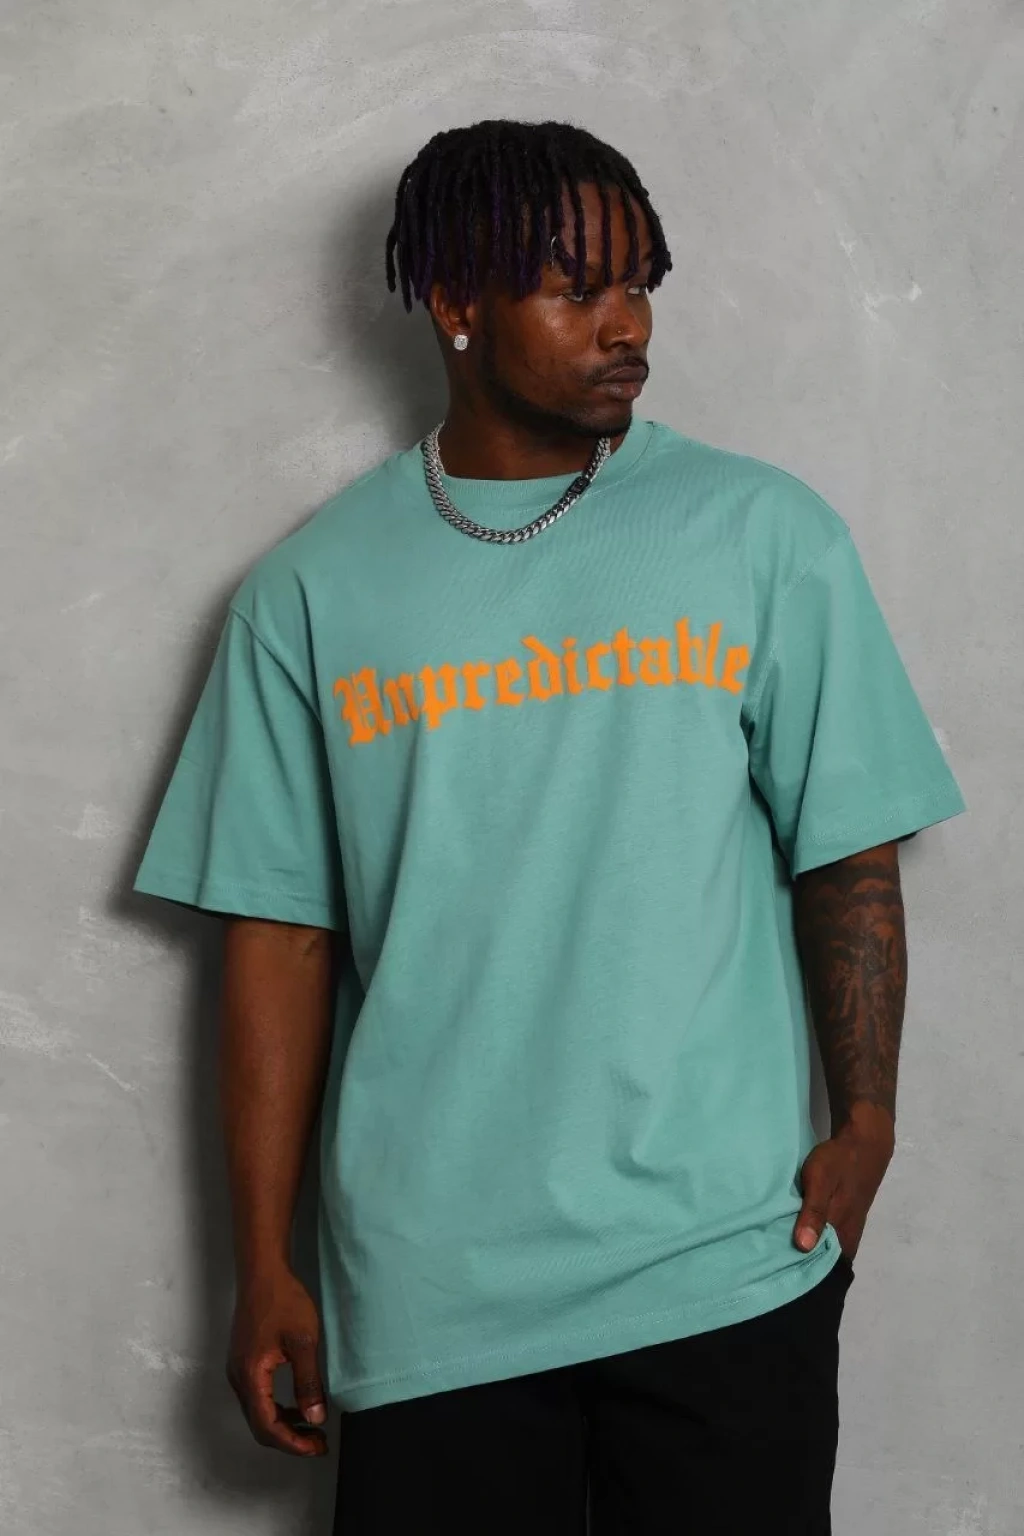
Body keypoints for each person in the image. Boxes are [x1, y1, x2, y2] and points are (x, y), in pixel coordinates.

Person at [133, 118, 967, 1534]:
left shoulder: (762, 534)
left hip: (720, 1261)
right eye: (577, 289)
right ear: (454, 302)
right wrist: (263, 1265)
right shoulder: (311, 593)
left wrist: (869, 1122)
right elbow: (278, 939)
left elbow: (847, 853)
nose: (625, 324)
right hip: (433, 1291)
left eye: (639, 283)